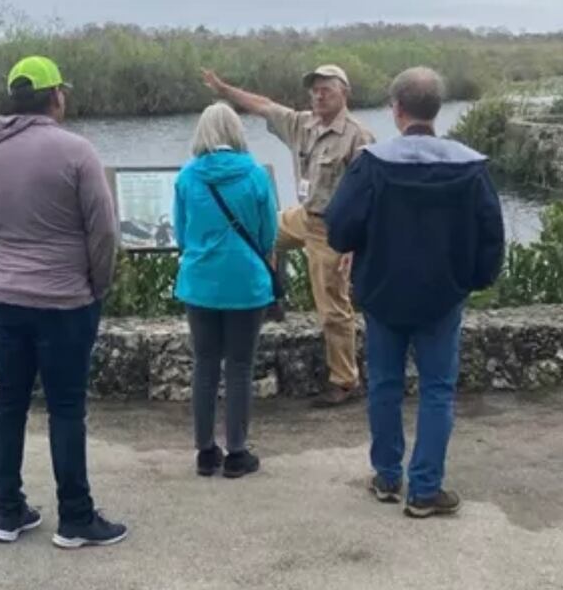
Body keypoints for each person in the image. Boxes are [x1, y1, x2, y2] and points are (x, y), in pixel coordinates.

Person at [325, 67, 505, 519]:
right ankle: (425, 489)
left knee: (384, 385)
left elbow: (339, 227)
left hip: (383, 293)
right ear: (436, 109)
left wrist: (358, 247)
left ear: (397, 109)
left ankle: (387, 477)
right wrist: (476, 280)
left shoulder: (372, 163)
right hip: (443, 296)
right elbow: (491, 235)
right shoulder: (471, 166)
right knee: (438, 390)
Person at [0, 56, 128, 549]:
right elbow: (104, 229)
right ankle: (75, 517)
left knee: (9, 402)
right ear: (55, 95)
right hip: (64, 299)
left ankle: (7, 510)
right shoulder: (77, 151)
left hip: (5, 296)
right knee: (65, 408)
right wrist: (96, 284)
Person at [202, 64, 375, 407]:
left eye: (326, 88)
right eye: (314, 89)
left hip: (334, 229)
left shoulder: (359, 137)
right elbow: (263, 105)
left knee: (333, 308)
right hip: (304, 217)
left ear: (345, 93)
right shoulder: (301, 124)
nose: (318, 94)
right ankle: (271, 299)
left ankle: (345, 381)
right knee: (256, 232)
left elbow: (370, 193)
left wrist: (356, 241)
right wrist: (224, 89)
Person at [173, 102, 279, 478]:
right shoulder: (255, 175)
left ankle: (204, 451)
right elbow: (268, 234)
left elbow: (182, 236)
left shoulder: (187, 177)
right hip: (246, 284)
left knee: (204, 365)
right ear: (237, 132)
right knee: (239, 367)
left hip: (200, 283)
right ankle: (237, 452)